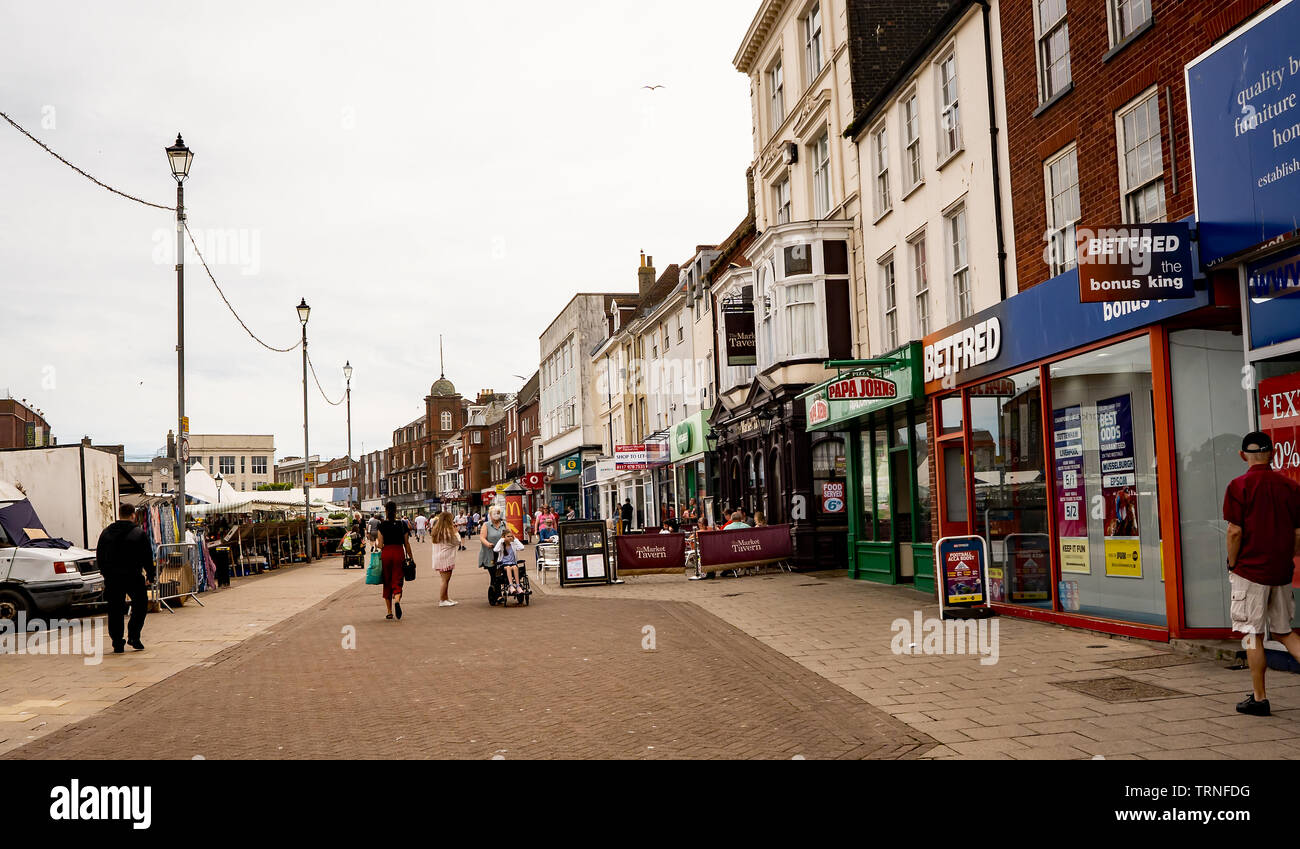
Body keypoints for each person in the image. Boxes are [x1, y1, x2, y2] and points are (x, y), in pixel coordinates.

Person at [1223, 431, 1300, 716]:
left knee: (1250, 634)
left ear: (1243, 455)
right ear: (1273, 453)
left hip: (1249, 572)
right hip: (1280, 572)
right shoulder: (1290, 487)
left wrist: (1233, 563)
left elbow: (1234, 531)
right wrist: (1287, 558)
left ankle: (1259, 698)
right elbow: (1298, 534)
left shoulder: (1238, 486)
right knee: (1284, 632)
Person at [95, 503, 155, 653]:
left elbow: (100, 555)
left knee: (115, 609)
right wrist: (150, 574)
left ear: (119, 514)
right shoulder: (138, 533)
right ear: (133, 515)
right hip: (133, 576)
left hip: (113, 578)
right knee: (140, 605)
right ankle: (134, 635)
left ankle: (117, 642)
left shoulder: (106, 533)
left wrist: (105, 572)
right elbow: (147, 556)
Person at [377, 502, 414, 621]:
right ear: (396, 510)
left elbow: (380, 544)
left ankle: (389, 612)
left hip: (386, 553)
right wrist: (411, 557)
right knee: (398, 578)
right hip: (398, 552)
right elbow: (406, 543)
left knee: (387, 580)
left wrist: (376, 544)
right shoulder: (402, 524)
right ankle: (397, 600)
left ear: (386, 511)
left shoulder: (382, 525)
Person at [429, 511, 459, 607]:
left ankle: (446, 598)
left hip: (439, 557)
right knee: (445, 580)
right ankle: (442, 599)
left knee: (445, 580)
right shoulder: (447, 531)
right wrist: (456, 532)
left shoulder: (437, 530)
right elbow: (457, 542)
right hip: (446, 558)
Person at [478, 505, 509, 577]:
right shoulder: (486, 525)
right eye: (494, 513)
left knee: (504, 574)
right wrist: (488, 544)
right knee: (494, 575)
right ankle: (494, 583)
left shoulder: (504, 524)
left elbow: (510, 535)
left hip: (503, 552)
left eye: (498, 513)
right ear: (490, 515)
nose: (496, 515)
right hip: (491, 553)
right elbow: (482, 537)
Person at [494, 528, 526, 595]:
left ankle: (518, 586)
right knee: (508, 567)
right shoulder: (501, 545)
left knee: (515, 567)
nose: (510, 538)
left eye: (511, 536)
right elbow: (495, 550)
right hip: (503, 564)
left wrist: (515, 539)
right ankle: (511, 586)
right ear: (504, 537)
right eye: (508, 536)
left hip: (513, 563)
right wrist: (501, 540)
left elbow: (522, 547)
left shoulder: (513, 544)